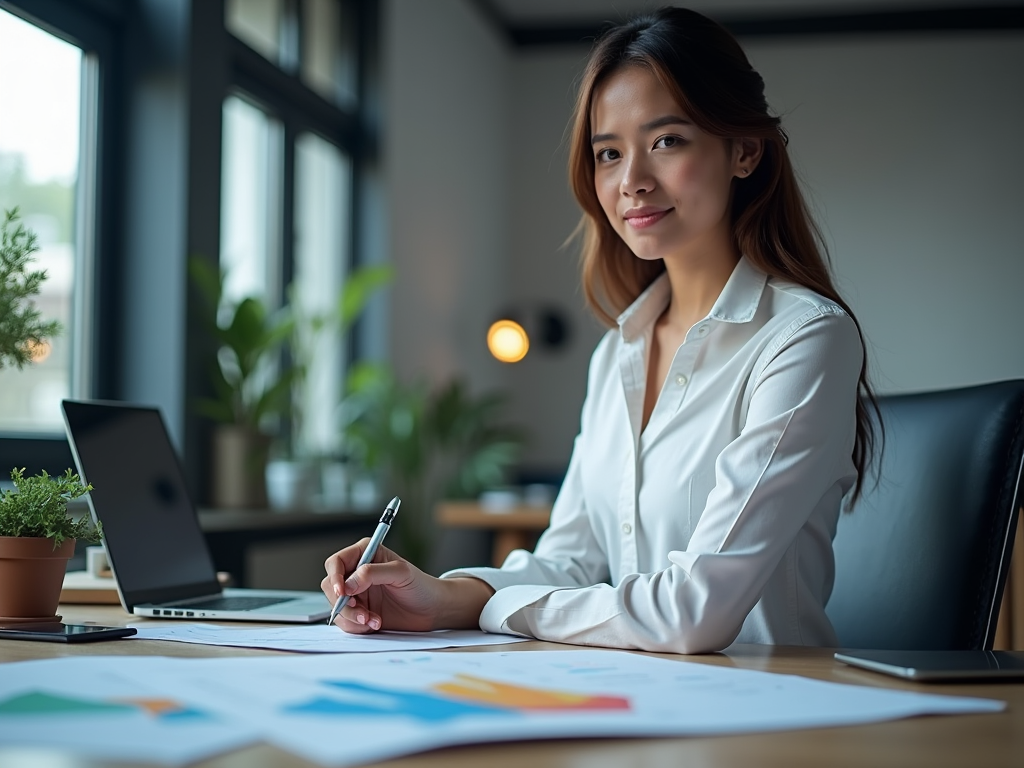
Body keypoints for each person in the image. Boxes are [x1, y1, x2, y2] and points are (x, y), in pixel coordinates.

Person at [321, 7, 878, 654]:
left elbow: (692, 613)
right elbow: (569, 560)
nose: (633, 182)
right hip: (632, 704)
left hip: (771, 718)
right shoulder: (620, 350)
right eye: (608, 153)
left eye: (667, 141)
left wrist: (493, 608)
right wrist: (442, 594)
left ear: (744, 150)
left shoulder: (804, 340)